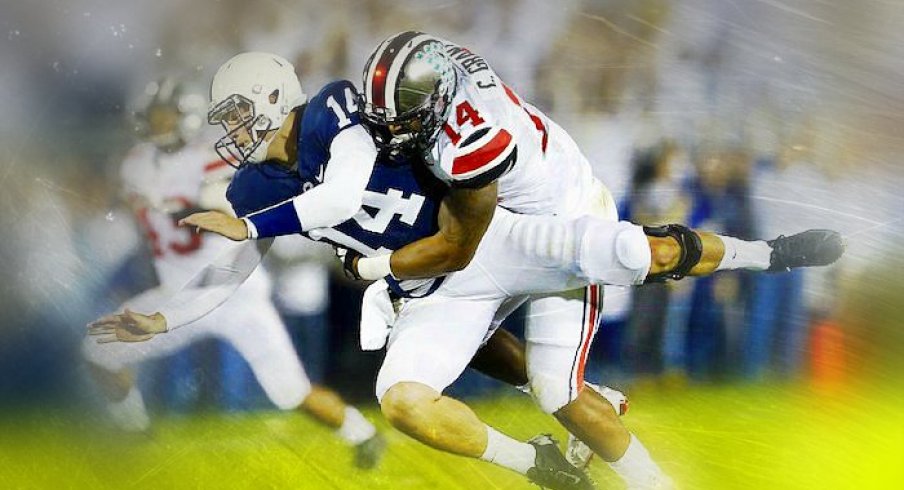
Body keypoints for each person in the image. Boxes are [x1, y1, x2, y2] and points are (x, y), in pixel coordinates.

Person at [93, 52, 842, 489]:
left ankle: (765, 253)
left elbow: (344, 195)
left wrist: (259, 224)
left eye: (234, 113)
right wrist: (162, 318)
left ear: (271, 100)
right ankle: (539, 465)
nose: (227, 132)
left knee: (626, 250)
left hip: (485, 235)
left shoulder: (333, 110)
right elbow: (227, 274)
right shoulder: (250, 189)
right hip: (431, 285)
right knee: (404, 400)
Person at [83, 77, 385, 469]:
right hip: (180, 293)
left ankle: (363, 434)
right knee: (99, 349)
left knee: (289, 391)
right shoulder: (135, 165)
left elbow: (241, 200)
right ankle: (134, 430)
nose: (157, 125)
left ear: (185, 117)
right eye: (152, 117)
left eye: (165, 116)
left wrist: (204, 199)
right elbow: (141, 224)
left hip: (232, 291)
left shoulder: (211, 158)